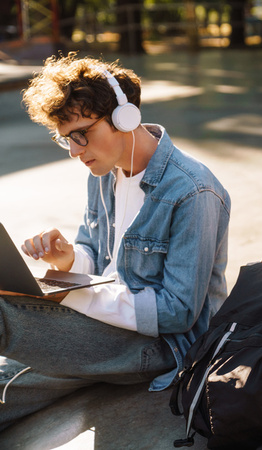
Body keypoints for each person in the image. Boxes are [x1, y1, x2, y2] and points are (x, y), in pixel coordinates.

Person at [0, 53, 230, 431]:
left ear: (125, 119)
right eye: (65, 139)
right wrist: (69, 261)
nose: (74, 151)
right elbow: (95, 252)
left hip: (160, 347)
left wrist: (77, 296)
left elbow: (177, 312)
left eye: (81, 134)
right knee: (7, 387)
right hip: (104, 328)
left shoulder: (193, 191)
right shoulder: (102, 171)